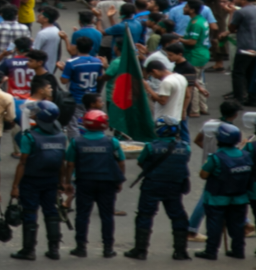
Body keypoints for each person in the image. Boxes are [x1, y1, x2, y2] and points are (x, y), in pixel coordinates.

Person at [125, 117, 191, 260]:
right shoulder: (185, 147)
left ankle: (140, 250)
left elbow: (141, 162)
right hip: (174, 186)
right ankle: (180, 251)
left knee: (145, 215)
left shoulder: (150, 147)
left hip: (152, 185)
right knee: (178, 216)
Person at [8, 100, 66, 260]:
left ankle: (28, 250)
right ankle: (54, 249)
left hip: (31, 182)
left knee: (29, 213)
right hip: (51, 180)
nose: (32, 114)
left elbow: (22, 163)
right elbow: (62, 163)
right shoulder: (61, 136)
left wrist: (15, 186)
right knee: (52, 213)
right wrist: (62, 182)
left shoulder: (30, 136)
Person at [63, 110, 124, 258]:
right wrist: (119, 179)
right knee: (107, 216)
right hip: (107, 183)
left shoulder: (76, 142)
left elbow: (70, 164)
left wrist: (67, 182)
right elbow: (120, 161)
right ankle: (108, 248)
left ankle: (81, 247)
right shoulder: (112, 142)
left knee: (82, 215)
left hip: (84, 182)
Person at [195, 122, 249, 261]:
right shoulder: (245, 155)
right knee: (237, 225)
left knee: (214, 225)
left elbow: (203, 175)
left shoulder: (216, 158)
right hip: (239, 198)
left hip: (217, 198)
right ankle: (238, 250)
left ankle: (211, 251)